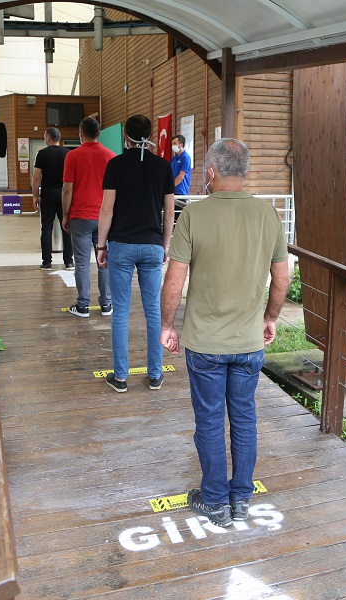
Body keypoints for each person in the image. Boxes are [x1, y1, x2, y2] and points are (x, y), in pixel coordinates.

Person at [160, 138, 289, 527]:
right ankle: (241, 498)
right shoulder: (268, 215)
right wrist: (270, 317)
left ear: (210, 173)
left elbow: (174, 281)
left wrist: (167, 325)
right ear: (244, 172)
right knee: (245, 419)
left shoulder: (194, 215)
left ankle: (215, 501)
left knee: (210, 421)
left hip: (205, 344)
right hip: (249, 342)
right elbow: (282, 278)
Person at [97, 115, 175, 393]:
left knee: (120, 312)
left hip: (121, 245)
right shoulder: (163, 167)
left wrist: (101, 245)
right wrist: (165, 246)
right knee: (153, 311)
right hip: (152, 245)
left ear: (125, 137)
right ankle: (155, 375)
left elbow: (107, 210)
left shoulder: (115, 165)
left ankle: (120, 377)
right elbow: (169, 213)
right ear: (150, 136)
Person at [62, 117, 115, 318]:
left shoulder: (72, 156)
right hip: (104, 217)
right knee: (104, 261)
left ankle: (83, 305)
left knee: (82, 263)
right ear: (99, 133)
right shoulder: (111, 156)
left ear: (80, 133)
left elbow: (67, 189)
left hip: (80, 217)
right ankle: (107, 304)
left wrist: (65, 214)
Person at [33, 127, 73, 270]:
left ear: (48, 138)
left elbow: (37, 177)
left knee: (46, 228)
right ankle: (68, 261)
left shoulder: (42, 154)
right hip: (64, 195)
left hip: (48, 195)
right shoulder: (68, 153)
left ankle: (47, 262)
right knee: (66, 227)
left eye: (45, 137)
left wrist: (35, 196)